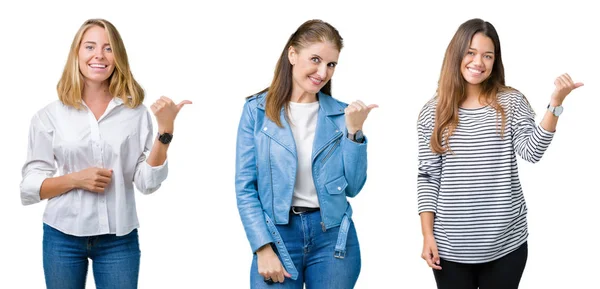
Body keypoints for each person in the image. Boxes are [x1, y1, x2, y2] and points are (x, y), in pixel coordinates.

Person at [20, 18, 191, 289]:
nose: (99, 55)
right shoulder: (48, 116)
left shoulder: (135, 114)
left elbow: (147, 182)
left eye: (108, 48)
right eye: (90, 47)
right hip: (62, 236)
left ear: (118, 57)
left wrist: (165, 130)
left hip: (119, 239)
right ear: (77, 54)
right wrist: (75, 180)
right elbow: (30, 188)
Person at [417, 18, 583, 289]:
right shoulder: (432, 112)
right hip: (450, 247)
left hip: (507, 245)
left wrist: (555, 105)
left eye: (487, 55)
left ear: (495, 61)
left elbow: (532, 151)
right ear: (456, 54)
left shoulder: (511, 101)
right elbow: (427, 176)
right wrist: (427, 235)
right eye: (470, 52)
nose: (478, 62)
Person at [235, 19, 377, 288]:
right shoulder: (256, 112)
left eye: (331, 64)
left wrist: (354, 133)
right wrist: (262, 248)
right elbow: (245, 187)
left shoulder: (341, 115)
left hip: (332, 238)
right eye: (315, 59)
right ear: (292, 54)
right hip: (276, 236)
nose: (322, 72)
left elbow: (354, 187)